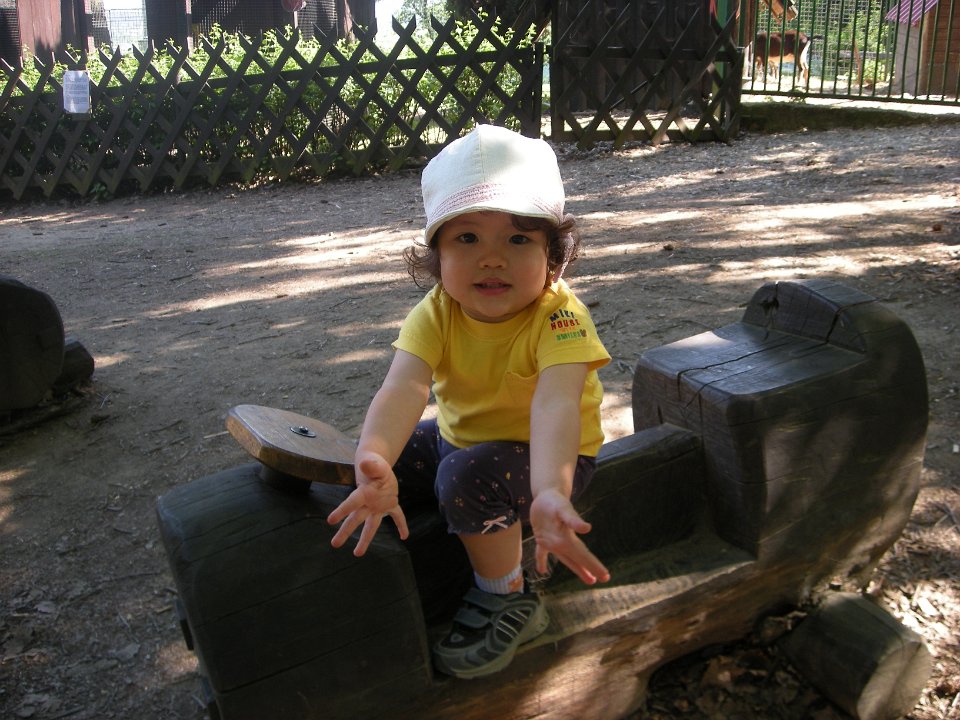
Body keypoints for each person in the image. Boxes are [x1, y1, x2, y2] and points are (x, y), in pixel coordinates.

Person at [327, 124, 611, 679]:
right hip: (462, 439)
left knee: (465, 476)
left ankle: (509, 595)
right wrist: (374, 457)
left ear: (554, 256)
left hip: (551, 459)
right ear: (436, 256)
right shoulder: (437, 310)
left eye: (518, 239)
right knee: (394, 456)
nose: (492, 259)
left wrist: (551, 491)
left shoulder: (560, 316)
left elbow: (556, 404)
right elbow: (403, 388)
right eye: (467, 238)